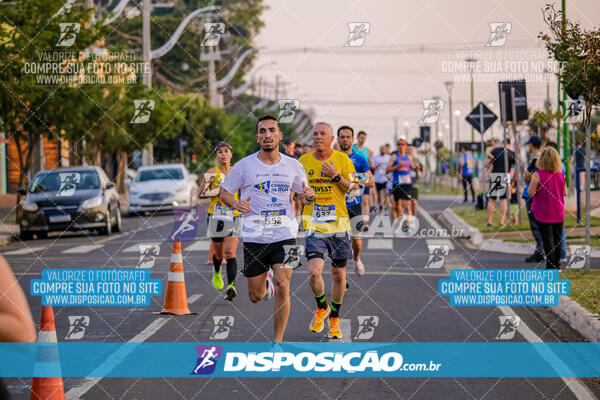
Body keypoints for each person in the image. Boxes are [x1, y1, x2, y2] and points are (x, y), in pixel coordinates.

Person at [220, 116, 315, 342]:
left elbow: (305, 192)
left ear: (279, 136)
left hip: (286, 235)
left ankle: (277, 342)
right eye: (262, 131)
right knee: (256, 295)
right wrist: (235, 204)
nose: (267, 135)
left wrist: (308, 196)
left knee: (285, 285)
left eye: (272, 130)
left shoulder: (294, 165)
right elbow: (224, 192)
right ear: (258, 137)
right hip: (254, 237)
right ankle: (266, 284)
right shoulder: (245, 165)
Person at [299, 122, 357, 339]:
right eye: (315, 134)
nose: (318, 137)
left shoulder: (343, 160)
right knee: (314, 272)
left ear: (332, 138)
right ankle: (321, 306)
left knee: (339, 274)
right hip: (314, 223)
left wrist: (336, 177)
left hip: (339, 224)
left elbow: (354, 188)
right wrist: (305, 197)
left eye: (322, 134)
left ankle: (334, 316)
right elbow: (300, 194)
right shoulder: (303, 162)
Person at [198, 141, 240, 301]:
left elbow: (246, 190)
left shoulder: (237, 171)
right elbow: (200, 195)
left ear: (231, 154)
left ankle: (231, 286)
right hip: (215, 216)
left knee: (230, 253)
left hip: (233, 215)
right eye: (220, 152)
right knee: (219, 253)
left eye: (226, 151)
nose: (223, 154)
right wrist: (214, 190)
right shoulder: (212, 172)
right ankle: (216, 271)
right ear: (217, 155)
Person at [338, 125, 374, 276]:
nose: (345, 140)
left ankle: (357, 258)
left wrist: (350, 179)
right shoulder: (333, 157)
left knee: (356, 242)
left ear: (353, 140)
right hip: (337, 206)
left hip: (354, 204)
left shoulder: (359, 159)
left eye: (348, 137)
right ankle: (341, 277)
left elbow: (370, 181)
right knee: (339, 245)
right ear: (338, 139)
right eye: (342, 137)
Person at [528, 147, 566, 269]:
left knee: (547, 240)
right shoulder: (560, 174)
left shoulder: (537, 175)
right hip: (558, 211)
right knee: (557, 239)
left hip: (543, 212)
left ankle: (550, 267)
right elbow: (564, 192)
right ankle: (557, 265)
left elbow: (531, 192)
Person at [522, 136, 544, 263]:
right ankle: (540, 250)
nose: (527, 146)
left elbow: (530, 178)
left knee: (535, 226)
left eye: (528, 144)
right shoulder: (541, 158)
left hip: (531, 196)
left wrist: (526, 177)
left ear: (532, 144)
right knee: (539, 225)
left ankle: (539, 252)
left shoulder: (536, 160)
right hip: (536, 196)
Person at [486, 138, 516, 228]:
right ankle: (502, 222)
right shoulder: (511, 153)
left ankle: (489, 222)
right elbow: (513, 169)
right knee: (504, 200)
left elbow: (487, 164)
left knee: (492, 200)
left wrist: (490, 162)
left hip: (495, 175)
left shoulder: (495, 151)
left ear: (503, 143)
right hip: (505, 176)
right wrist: (512, 181)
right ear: (509, 145)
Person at [386, 138, 414, 225]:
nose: (400, 146)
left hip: (407, 184)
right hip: (397, 184)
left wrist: (418, 168)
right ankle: (396, 224)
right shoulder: (394, 157)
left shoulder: (409, 157)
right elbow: (387, 170)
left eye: (402, 144)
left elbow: (412, 167)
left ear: (406, 146)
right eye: (398, 144)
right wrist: (397, 166)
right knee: (396, 206)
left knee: (407, 206)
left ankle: (407, 225)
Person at [352, 131, 374, 214]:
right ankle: (356, 218)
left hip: (364, 176)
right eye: (361, 138)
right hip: (353, 176)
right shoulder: (352, 148)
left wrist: (372, 166)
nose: (363, 140)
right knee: (354, 200)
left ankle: (365, 223)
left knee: (365, 200)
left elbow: (368, 163)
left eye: (364, 138)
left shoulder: (368, 151)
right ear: (357, 138)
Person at [371, 145, 391, 213]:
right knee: (379, 193)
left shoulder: (389, 158)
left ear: (385, 150)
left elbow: (391, 166)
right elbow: (372, 167)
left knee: (386, 193)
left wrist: (389, 175)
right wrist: (377, 166)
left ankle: (385, 206)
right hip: (377, 178)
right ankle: (380, 205)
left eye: (384, 149)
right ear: (380, 150)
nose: (383, 150)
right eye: (381, 149)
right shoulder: (375, 158)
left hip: (386, 178)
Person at [406, 145, 422, 216]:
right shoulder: (403, 159)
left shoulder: (416, 160)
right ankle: (408, 218)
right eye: (408, 149)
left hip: (414, 184)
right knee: (407, 203)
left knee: (414, 202)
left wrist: (421, 175)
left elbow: (422, 169)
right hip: (405, 184)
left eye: (411, 149)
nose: (410, 150)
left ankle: (413, 218)